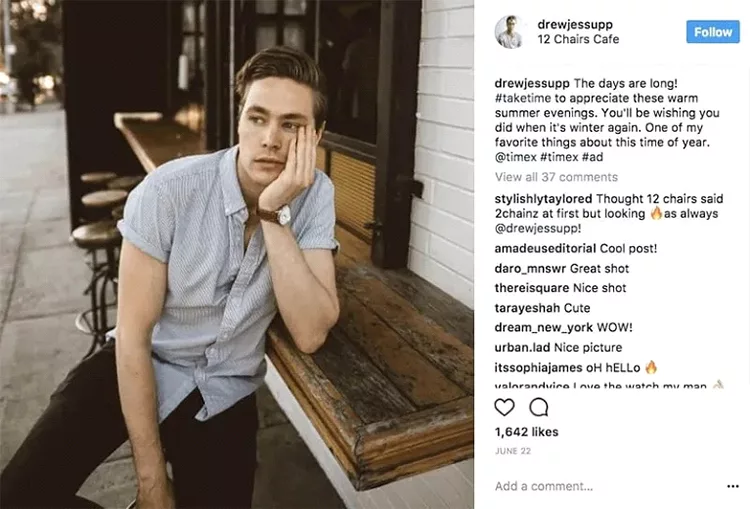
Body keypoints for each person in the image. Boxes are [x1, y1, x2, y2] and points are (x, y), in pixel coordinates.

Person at [0, 46, 340, 509]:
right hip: (143, 361)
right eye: (257, 118)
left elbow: (311, 331)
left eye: (291, 125)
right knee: (19, 495)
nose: (270, 139)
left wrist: (275, 215)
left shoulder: (315, 195)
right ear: (238, 121)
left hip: (224, 390)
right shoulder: (168, 191)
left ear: (315, 136)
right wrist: (152, 482)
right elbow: (134, 337)